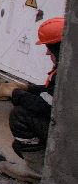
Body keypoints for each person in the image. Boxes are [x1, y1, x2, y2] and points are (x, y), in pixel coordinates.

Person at [10, 17, 63, 158]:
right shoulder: (68, 69)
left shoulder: (67, 73)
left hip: (67, 132)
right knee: (18, 145)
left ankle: (38, 169)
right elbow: (52, 93)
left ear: (58, 48)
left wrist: (16, 94)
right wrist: (29, 88)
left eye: (48, 48)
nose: (46, 53)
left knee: (20, 115)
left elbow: (47, 106)